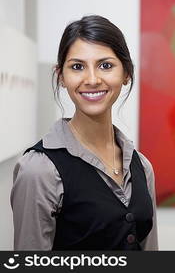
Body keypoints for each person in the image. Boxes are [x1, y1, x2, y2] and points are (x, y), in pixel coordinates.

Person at [10, 15, 158, 250]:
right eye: (77, 67)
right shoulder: (39, 170)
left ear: (126, 73)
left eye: (105, 65)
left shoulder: (142, 166)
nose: (92, 79)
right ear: (61, 76)